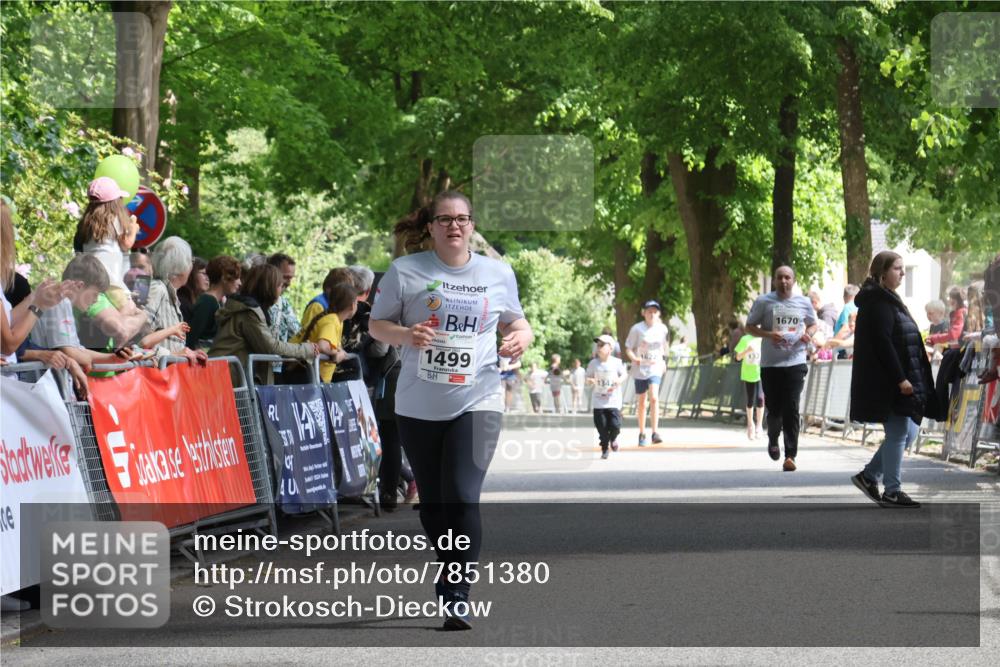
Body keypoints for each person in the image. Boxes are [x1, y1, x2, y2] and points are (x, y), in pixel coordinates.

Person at [370, 190, 532, 630]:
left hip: (478, 398)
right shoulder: (406, 271)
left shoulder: (497, 272)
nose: (454, 226)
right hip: (418, 403)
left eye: (462, 219)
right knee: (434, 507)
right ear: (430, 227)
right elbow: (376, 324)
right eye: (445, 219)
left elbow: (516, 320)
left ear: (472, 226)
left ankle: (458, 592)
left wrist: (522, 337)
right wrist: (406, 335)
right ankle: (448, 563)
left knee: (462, 495)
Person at [850, 251, 943, 508]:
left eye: (903, 269)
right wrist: (900, 379)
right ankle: (892, 490)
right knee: (900, 432)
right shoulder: (879, 303)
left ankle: (869, 476)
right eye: (898, 269)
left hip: (900, 378)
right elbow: (884, 345)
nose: (902, 273)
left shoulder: (888, 300)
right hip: (889, 383)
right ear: (882, 272)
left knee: (909, 430)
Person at [745, 265, 817, 471]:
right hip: (771, 364)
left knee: (792, 407)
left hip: (795, 361)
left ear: (793, 280)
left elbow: (813, 324)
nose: (783, 281)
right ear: (774, 281)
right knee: (775, 410)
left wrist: (808, 335)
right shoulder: (763, 302)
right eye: (780, 278)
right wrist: (769, 335)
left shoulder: (803, 302)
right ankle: (773, 438)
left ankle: (791, 455)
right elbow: (749, 326)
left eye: (787, 277)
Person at [209, 264, 318, 385]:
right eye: (280, 286)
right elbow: (271, 347)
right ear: (269, 288)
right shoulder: (249, 312)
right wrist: (306, 349)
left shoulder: (248, 308)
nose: (281, 291)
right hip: (225, 378)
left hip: (226, 375)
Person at [73, 177, 140, 311]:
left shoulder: (85, 223)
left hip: (89, 275)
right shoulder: (114, 219)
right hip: (111, 279)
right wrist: (133, 230)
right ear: (114, 202)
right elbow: (126, 244)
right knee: (131, 310)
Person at [625, 300, 669, 446]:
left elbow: (663, 347)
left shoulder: (663, 329)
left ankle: (655, 432)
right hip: (640, 369)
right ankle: (642, 432)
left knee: (654, 397)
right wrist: (635, 359)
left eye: (655, 312)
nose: (652, 314)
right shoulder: (636, 329)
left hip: (655, 367)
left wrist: (663, 362)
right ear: (643, 313)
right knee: (642, 402)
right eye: (649, 311)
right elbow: (628, 348)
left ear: (659, 314)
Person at [292, 281, 356, 382]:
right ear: (353, 305)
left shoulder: (336, 320)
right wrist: (337, 355)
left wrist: (339, 351)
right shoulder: (332, 320)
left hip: (310, 376)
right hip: (306, 377)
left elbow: (331, 345)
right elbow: (322, 346)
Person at [143, 237, 196, 356]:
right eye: (191, 261)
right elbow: (138, 343)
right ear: (181, 267)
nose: (191, 266)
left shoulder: (166, 292)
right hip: (153, 373)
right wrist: (174, 355)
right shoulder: (157, 290)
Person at [186, 255, 241, 350]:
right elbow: (191, 336)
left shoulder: (215, 302)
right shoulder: (207, 302)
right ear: (224, 278)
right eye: (236, 277)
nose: (239, 283)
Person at [586, 334, 627, 459]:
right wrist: (590, 381)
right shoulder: (593, 363)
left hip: (613, 401)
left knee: (615, 425)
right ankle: (604, 448)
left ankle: (613, 438)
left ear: (610, 348)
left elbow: (624, 374)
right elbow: (587, 378)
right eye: (598, 345)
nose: (599, 347)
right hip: (599, 402)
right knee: (602, 427)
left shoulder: (617, 362)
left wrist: (619, 381)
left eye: (602, 345)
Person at [733, 331, 764, 440]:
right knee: (750, 400)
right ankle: (750, 424)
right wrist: (747, 351)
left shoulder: (763, 339)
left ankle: (759, 426)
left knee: (760, 398)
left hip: (761, 373)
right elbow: (737, 358)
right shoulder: (745, 339)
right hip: (748, 374)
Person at [267, 253, 300, 343]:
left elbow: (298, 334)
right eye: (285, 277)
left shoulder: (284, 304)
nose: (289, 283)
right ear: (272, 273)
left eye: (291, 278)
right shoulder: (255, 303)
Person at [177, 256, 208, 322]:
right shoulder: (181, 303)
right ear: (191, 274)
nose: (207, 278)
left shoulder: (199, 303)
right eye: (204, 273)